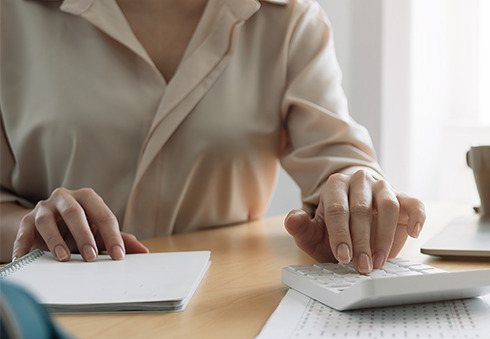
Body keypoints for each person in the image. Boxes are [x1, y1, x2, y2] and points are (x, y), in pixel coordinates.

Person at [0, 0, 426, 274]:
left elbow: (339, 161)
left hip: (221, 310)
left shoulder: (288, 18)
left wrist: (354, 202)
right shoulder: (13, 15)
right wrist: (34, 227)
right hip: (53, 302)